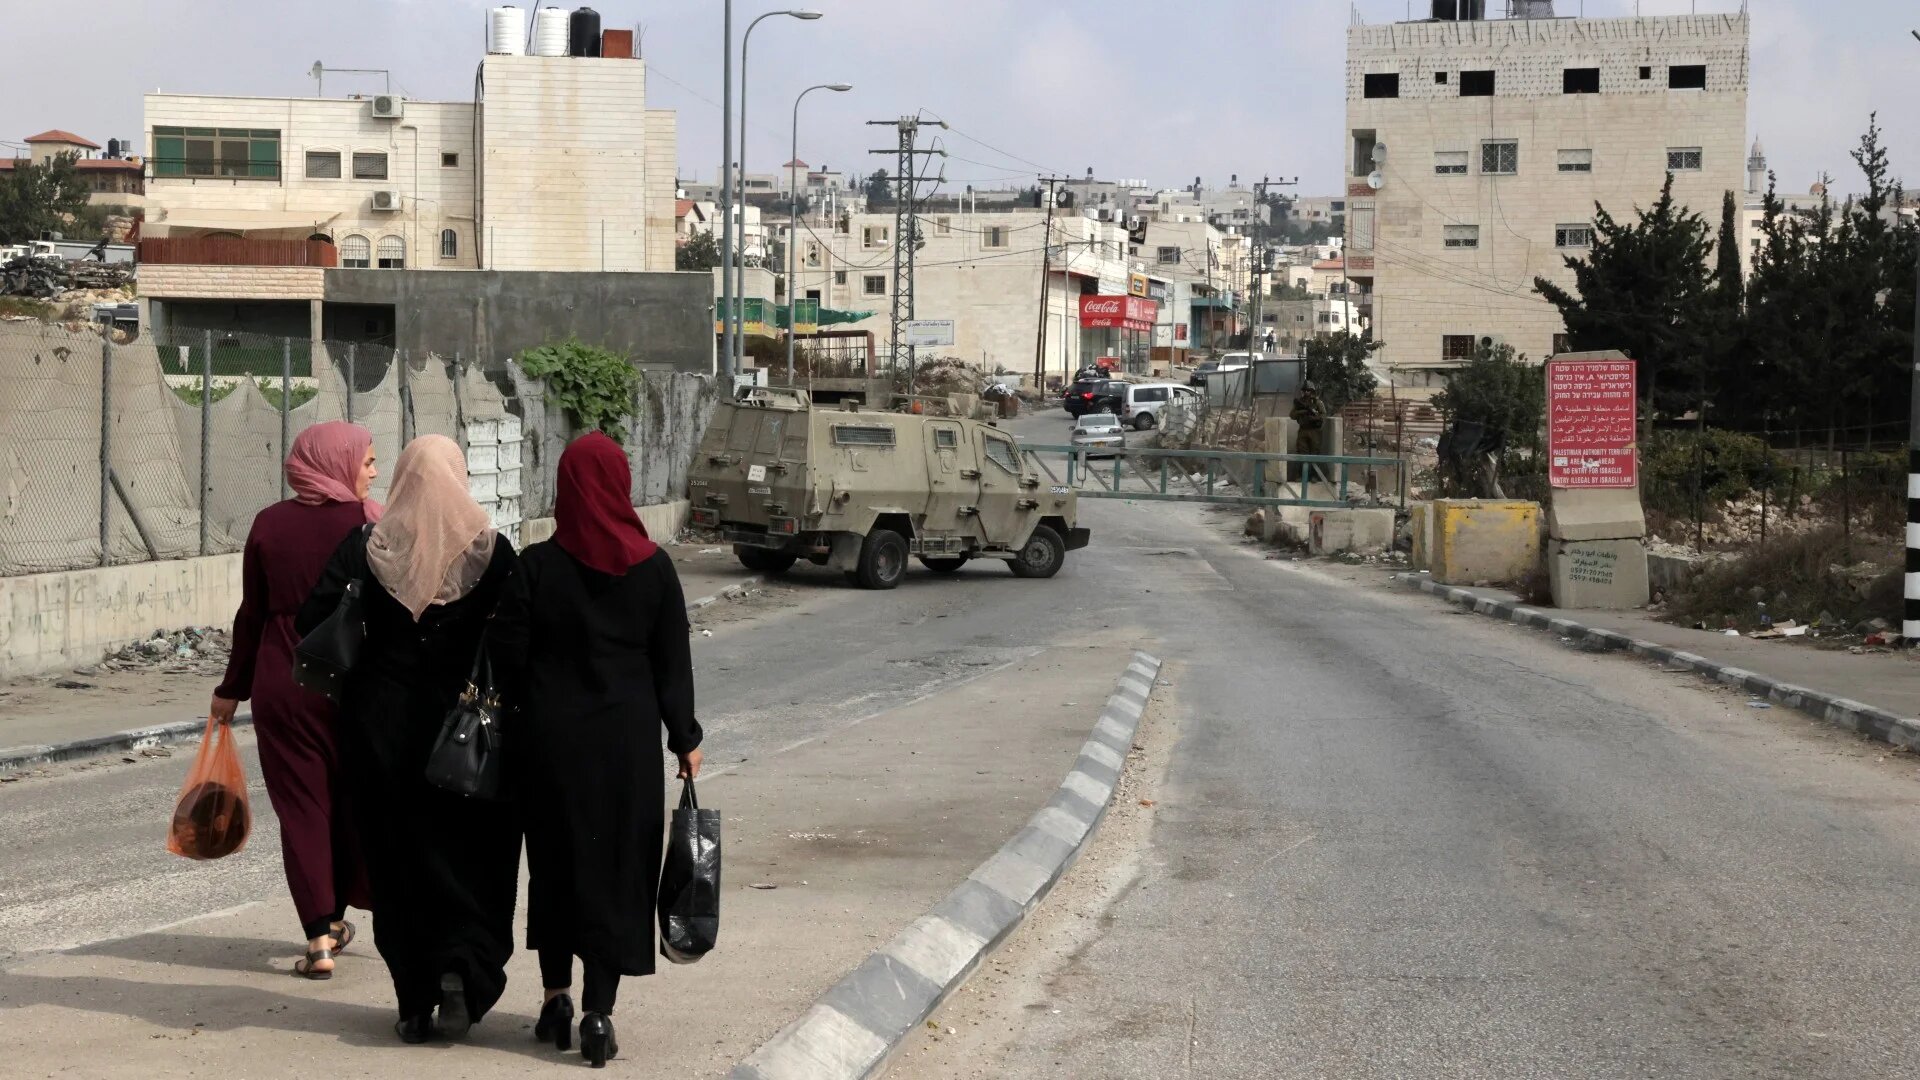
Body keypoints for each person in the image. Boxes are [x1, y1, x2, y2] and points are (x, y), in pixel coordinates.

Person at [295, 434, 520, 1045]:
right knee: (472, 857)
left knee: (396, 862)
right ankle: (460, 970)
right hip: (464, 733)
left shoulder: (368, 546)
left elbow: (313, 616)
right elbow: (519, 637)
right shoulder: (493, 552)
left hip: (381, 729)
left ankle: (413, 1001)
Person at [492, 432, 702, 1069]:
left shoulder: (535, 567)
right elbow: (673, 667)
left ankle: (554, 997)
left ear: (566, 488)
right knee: (616, 872)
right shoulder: (656, 569)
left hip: (550, 748)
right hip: (626, 751)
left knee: (555, 868)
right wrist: (685, 739)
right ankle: (598, 1012)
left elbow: (507, 660)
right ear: (620, 484)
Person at [211, 420, 380, 980]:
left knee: (303, 808)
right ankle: (342, 911)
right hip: (354, 682)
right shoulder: (370, 524)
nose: (374, 471)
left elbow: (252, 616)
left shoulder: (268, 524)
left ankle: (319, 938)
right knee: (355, 799)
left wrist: (230, 691)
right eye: (368, 461)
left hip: (283, 682)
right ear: (340, 463)